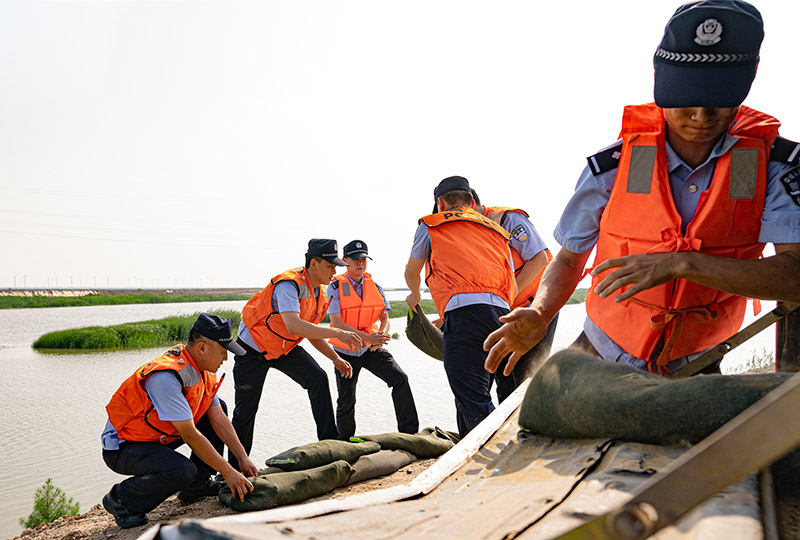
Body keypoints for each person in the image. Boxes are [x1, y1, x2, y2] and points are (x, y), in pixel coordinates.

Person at [485, 0, 800, 378]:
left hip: (698, 359)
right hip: (602, 347)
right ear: (659, 76)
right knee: (543, 407)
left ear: (750, 76)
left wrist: (683, 263)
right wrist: (540, 312)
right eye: (687, 96)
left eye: (719, 97)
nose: (701, 116)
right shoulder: (613, 166)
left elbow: (794, 276)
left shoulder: (775, 166)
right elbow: (569, 260)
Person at [101, 313, 258, 529]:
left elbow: (218, 418)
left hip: (157, 437)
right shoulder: (166, 378)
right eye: (223, 353)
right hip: (124, 446)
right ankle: (122, 499)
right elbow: (190, 434)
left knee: (217, 406)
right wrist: (228, 473)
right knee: (181, 471)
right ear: (202, 348)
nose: (226, 359)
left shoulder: (201, 368)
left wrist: (242, 458)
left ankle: (197, 486)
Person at [229, 239, 362, 470]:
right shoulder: (288, 284)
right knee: (245, 411)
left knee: (318, 379)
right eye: (330, 266)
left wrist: (335, 358)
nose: (335, 271)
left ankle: (330, 444)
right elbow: (294, 326)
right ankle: (234, 469)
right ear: (314, 264)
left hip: (283, 348)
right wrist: (338, 332)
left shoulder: (319, 292)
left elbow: (311, 331)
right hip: (252, 350)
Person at [405, 176, 516, 437]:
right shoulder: (496, 230)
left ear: (440, 203)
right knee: (496, 392)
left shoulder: (431, 224)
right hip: (502, 316)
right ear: (472, 201)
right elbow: (510, 277)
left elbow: (413, 270)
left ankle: (496, 458)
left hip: (464, 316)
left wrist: (414, 294)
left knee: (472, 397)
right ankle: (476, 450)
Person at [326, 240, 419, 439]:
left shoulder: (375, 286)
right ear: (345, 261)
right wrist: (367, 336)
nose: (360, 263)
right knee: (346, 400)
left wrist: (380, 337)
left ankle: (410, 435)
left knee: (400, 379)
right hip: (346, 352)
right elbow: (337, 323)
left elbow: (385, 317)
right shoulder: (334, 286)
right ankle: (345, 443)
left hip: (371, 349)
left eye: (364, 259)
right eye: (356, 260)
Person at [471, 189, 558, 399]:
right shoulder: (468, 234)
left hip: (535, 308)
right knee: (500, 380)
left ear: (472, 203)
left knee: (521, 382)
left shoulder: (508, 219)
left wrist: (505, 298)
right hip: (502, 312)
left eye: (459, 210)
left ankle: (529, 428)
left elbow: (539, 259)